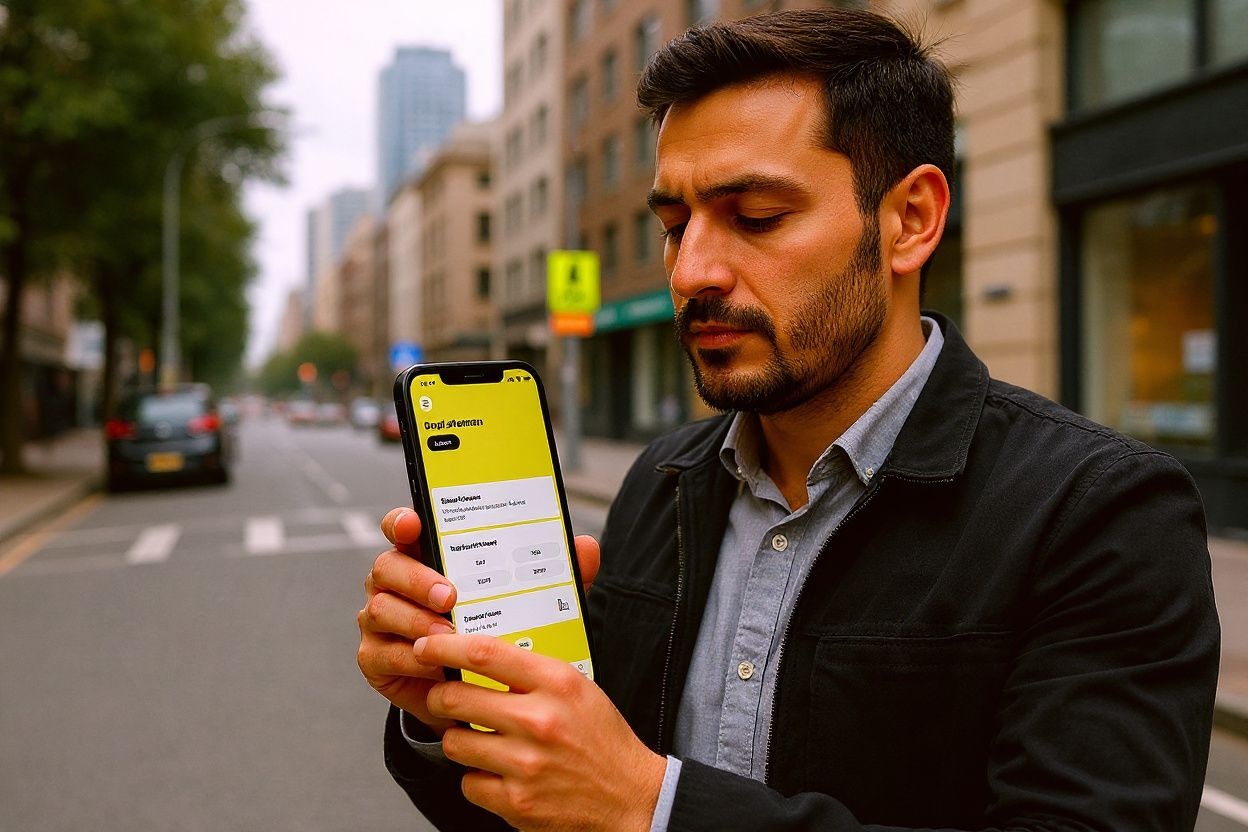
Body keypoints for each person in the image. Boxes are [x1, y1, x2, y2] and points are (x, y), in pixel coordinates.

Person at [356, 9, 1220, 831]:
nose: (692, 269)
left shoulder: (1100, 513)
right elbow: (564, 802)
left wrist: (653, 809)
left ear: (910, 221)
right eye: (672, 222)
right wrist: (452, 716)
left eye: (755, 217)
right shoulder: (662, 485)